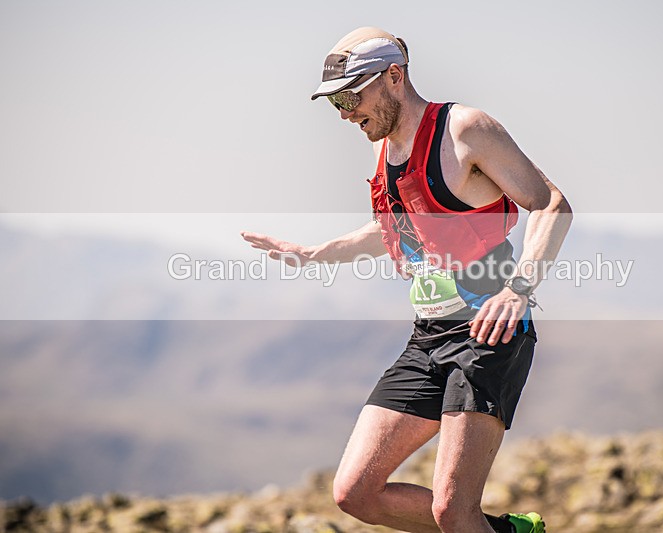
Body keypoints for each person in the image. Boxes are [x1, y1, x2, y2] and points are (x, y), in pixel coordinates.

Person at [241, 27, 572, 533]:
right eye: (336, 104)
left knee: (451, 511)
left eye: (352, 96)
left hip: (487, 335)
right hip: (428, 336)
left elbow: (550, 203)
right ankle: (507, 531)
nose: (347, 113)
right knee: (355, 493)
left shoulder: (465, 130)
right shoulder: (390, 146)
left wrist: (518, 288)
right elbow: (398, 229)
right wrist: (316, 254)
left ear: (394, 77)